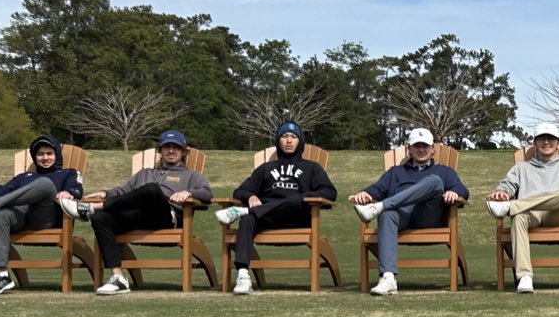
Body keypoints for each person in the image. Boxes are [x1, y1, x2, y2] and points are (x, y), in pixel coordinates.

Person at [57, 130, 212, 295]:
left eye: (176, 147)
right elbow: (124, 190)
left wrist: (189, 193)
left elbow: (207, 194)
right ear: (160, 150)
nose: (171, 151)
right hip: (137, 217)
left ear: (183, 152)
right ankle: (118, 278)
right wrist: (106, 193)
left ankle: (93, 208)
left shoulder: (191, 176)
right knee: (100, 218)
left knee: (151, 189)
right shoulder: (145, 173)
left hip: (165, 218)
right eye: (167, 147)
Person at [214, 121, 337, 295]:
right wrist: (251, 196)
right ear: (278, 141)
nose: (288, 141)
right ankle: (243, 275)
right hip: (267, 219)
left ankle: (248, 211)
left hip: (297, 217)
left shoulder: (312, 168)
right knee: (247, 220)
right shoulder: (265, 169)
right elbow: (239, 191)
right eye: (284, 136)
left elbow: (330, 192)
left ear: (299, 141)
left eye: (293, 137)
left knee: (296, 199)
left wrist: (305, 197)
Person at [349, 128, 470, 296]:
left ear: (433, 149)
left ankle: (381, 206)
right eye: (417, 146)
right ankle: (388, 278)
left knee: (435, 182)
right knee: (387, 214)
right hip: (402, 218)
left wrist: (454, 192)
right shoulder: (395, 172)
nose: (421, 150)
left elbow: (463, 190)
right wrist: (366, 194)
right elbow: (377, 189)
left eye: (425, 146)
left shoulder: (444, 172)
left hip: (429, 217)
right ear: (409, 149)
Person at [0, 135, 84, 295]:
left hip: (46, 218)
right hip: (20, 219)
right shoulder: (24, 177)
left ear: (56, 155)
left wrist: (69, 192)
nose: (45, 157)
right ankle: (2, 276)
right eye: (40, 154)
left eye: (49, 153)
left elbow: (78, 190)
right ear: (35, 157)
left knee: (45, 183)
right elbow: (1, 190)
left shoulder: (68, 173)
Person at [485, 123, 559, 293]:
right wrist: (502, 192)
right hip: (532, 216)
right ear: (535, 143)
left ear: (558, 143)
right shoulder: (521, 168)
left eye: (550, 138)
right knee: (519, 217)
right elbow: (507, 185)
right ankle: (524, 277)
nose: (546, 142)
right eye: (541, 138)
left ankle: (512, 207)